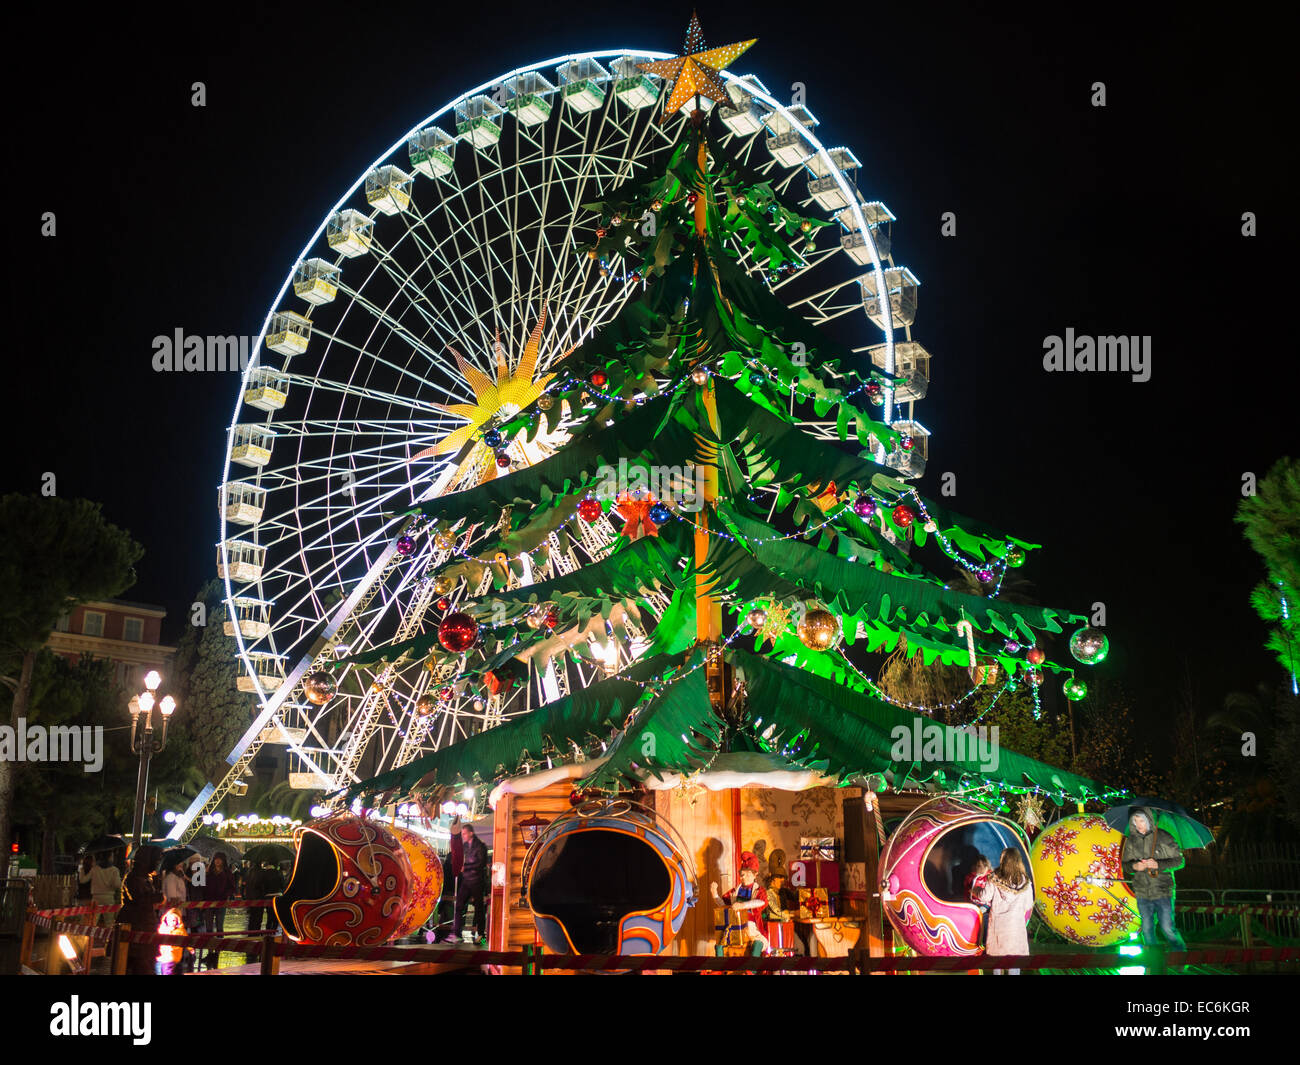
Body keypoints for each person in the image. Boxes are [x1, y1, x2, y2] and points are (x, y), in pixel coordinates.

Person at [1122, 806, 1187, 952]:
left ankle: (1180, 956)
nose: (1139, 825)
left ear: (1149, 821)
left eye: (1142, 821)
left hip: (1163, 891)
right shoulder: (1131, 841)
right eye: (1135, 821)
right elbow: (1125, 865)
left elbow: (1179, 861)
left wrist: (1158, 864)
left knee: (1167, 928)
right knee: (1146, 929)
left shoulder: (1164, 837)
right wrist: (1134, 866)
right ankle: (1153, 961)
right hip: (1142, 891)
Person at [975, 848, 1033, 974]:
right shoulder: (1026, 883)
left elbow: (984, 897)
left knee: (997, 962)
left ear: (1004, 860)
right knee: (1014, 964)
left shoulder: (995, 878)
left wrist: (976, 890)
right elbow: (1028, 904)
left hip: (998, 927)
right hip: (1016, 928)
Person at [712, 851, 771, 954]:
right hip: (735, 927)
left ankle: (752, 970)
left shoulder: (759, 891)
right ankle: (719, 969)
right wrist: (714, 894)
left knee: (758, 944)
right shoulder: (735, 891)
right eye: (743, 874)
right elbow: (724, 906)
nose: (744, 877)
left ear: (755, 875)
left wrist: (743, 905)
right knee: (719, 945)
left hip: (752, 928)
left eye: (748, 874)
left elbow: (761, 902)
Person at [119, 845, 163, 976]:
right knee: (137, 964)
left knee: (146, 964)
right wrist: (159, 897)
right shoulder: (133, 878)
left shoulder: (146, 878)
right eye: (156, 861)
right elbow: (140, 900)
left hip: (146, 926)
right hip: (135, 925)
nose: (157, 864)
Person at [200, 852, 236, 969]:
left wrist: (226, 895)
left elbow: (232, 887)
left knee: (220, 928)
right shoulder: (208, 872)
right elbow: (202, 885)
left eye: (220, 859)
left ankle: (218, 952)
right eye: (216, 859)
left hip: (221, 903)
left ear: (223, 861)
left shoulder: (227, 873)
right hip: (209, 903)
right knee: (209, 929)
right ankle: (210, 953)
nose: (217, 861)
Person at [453, 823, 488, 942]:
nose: (463, 836)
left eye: (464, 834)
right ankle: (457, 932)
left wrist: (466, 867)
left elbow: (481, 863)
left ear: (470, 833)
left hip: (477, 880)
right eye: (462, 834)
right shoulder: (465, 846)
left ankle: (480, 933)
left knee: (478, 907)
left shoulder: (480, 846)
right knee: (459, 905)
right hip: (467, 880)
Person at [90, 853, 122, 928]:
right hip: (108, 897)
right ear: (110, 858)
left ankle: (89, 938)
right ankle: (109, 939)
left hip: (95, 898)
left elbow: (84, 880)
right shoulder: (114, 870)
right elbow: (117, 885)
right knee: (109, 923)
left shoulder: (95, 869)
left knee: (92, 922)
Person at [156, 902, 186, 976]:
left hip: (176, 959)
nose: (172, 922)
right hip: (166, 959)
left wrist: (191, 948)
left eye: (174, 920)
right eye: (170, 920)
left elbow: (187, 940)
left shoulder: (180, 931)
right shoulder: (163, 929)